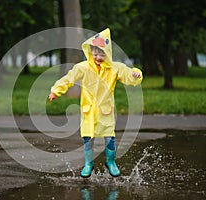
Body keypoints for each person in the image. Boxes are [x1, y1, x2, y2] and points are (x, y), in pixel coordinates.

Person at [48, 28, 142, 178]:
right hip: (89, 110)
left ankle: (110, 162)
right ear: (90, 52)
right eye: (95, 54)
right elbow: (69, 78)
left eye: (101, 54)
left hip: (106, 109)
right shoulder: (83, 68)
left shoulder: (114, 68)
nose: (98, 57)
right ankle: (88, 163)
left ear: (108, 53)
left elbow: (127, 74)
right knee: (87, 136)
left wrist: (135, 74)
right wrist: (56, 90)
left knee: (109, 136)